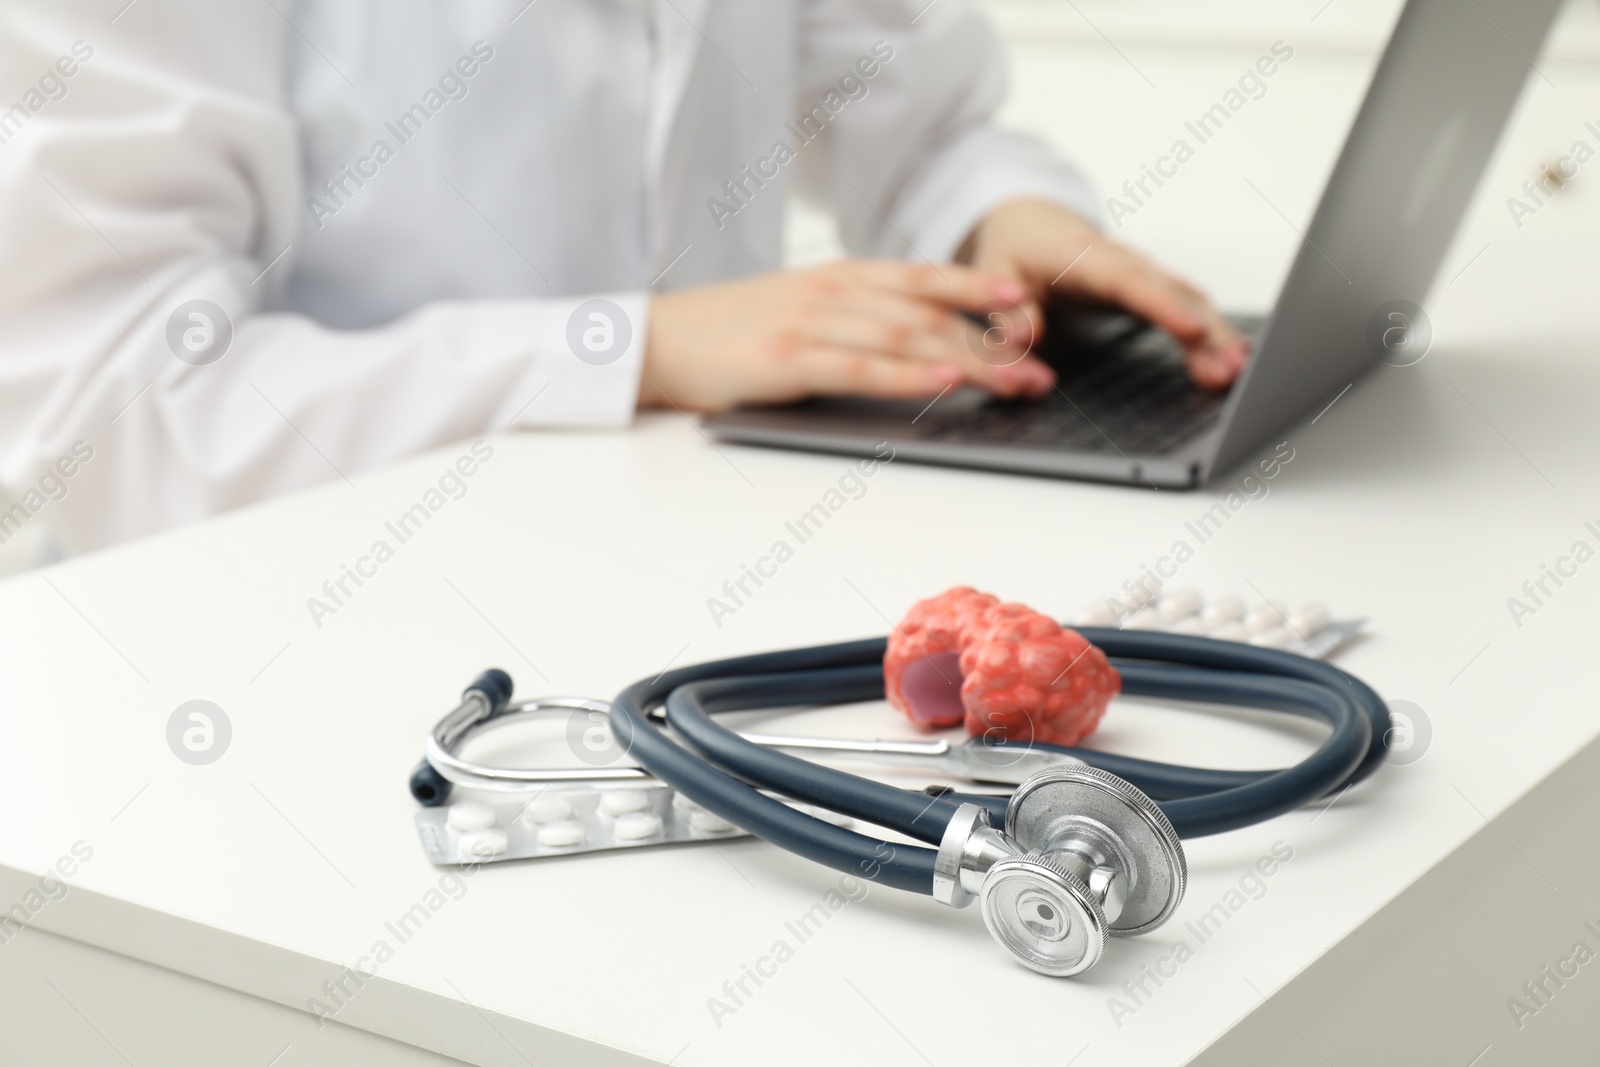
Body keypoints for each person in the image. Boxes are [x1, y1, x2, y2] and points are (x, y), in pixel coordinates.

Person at [0, 1, 1247, 552]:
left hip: (673, 569)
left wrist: (996, 215)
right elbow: (110, 420)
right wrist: (639, 348)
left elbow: (909, 109)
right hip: (267, 639)